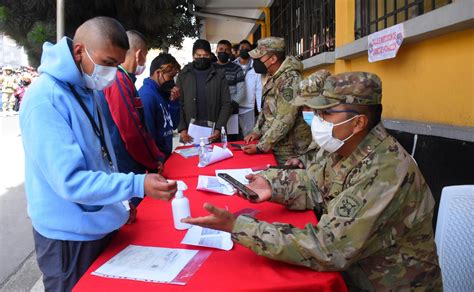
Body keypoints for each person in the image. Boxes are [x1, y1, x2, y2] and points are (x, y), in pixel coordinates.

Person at [183, 71, 443, 291]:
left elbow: (328, 248)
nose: (316, 120)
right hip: (359, 273)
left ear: (358, 122)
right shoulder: (344, 147)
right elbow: (315, 184)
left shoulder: (385, 169)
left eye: (326, 113)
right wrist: (273, 186)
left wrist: (240, 227)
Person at [20, 17, 177, 291]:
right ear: (80, 51)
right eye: (107, 63)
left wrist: (120, 202)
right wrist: (136, 184)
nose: (113, 73)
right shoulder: (45, 99)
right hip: (68, 238)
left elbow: (104, 156)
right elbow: (71, 181)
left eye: (118, 64)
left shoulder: (88, 88)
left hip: (98, 224)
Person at [98, 30, 166, 206]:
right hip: (127, 166)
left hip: (131, 163)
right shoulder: (118, 80)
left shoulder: (125, 79)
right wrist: (153, 161)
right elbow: (132, 131)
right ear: (140, 54)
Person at [242, 37, 311, 165]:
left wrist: (260, 146)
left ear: (273, 59)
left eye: (258, 59)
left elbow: (285, 119)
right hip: (276, 144)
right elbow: (266, 109)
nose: (255, 62)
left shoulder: (290, 80)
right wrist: (257, 131)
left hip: (290, 150)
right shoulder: (275, 77)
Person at [176, 39, 232, 144]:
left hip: (213, 132)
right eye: (198, 55)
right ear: (193, 56)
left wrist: (219, 128)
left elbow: (226, 104)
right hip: (189, 132)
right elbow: (178, 103)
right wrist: (182, 128)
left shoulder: (219, 75)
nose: (202, 58)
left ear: (210, 56)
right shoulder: (184, 75)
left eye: (205, 56)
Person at [139, 53, 181, 158]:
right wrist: (157, 160)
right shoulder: (147, 96)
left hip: (165, 155)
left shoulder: (163, 93)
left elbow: (173, 125)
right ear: (158, 73)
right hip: (156, 159)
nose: (172, 81)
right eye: (170, 76)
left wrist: (174, 102)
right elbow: (149, 135)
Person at [214, 39, 246, 140]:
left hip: (232, 110)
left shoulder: (237, 68)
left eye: (226, 50)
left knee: (231, 138)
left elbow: (241, 92)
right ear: (216, 50)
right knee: (214, 138)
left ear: (230, 52)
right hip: (214, 111)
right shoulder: (210, 68)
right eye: (221, 49)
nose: (223, 52)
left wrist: (229, 107)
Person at [233, 39, 263, 136]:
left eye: (247, 49)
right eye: (242, 48)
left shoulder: (256, 67)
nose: (244, 50)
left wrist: (260, 110)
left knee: (248, 136)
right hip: (233, 108)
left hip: (248, 109)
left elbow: (259, 90)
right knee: (233, 136)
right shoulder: (232, 66)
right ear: (238, 51)